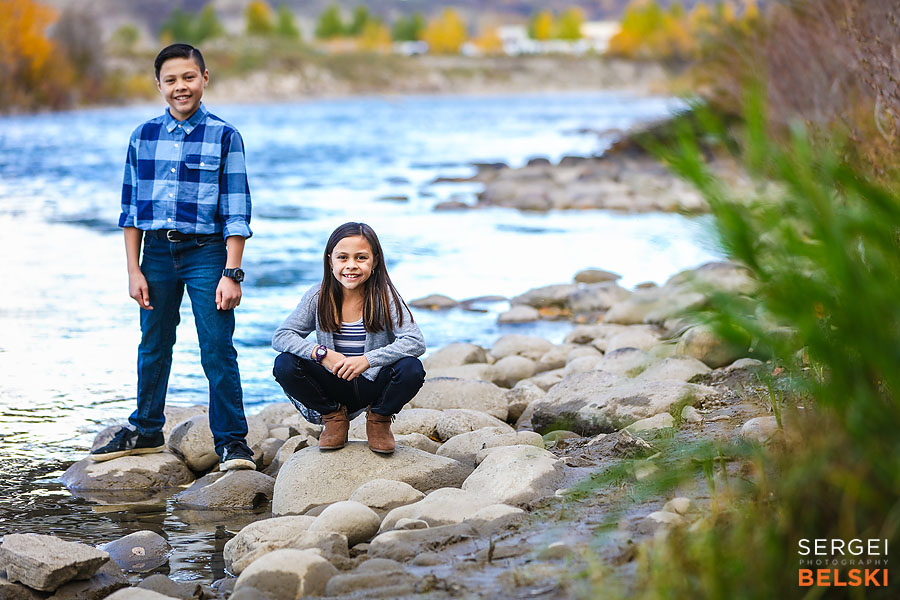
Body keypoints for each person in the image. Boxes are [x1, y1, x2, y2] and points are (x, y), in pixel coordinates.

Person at [91, 44, 256, 471]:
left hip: (207, 254)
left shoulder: (224, 135)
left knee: (217, 347)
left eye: (188, 77)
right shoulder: (142, 137)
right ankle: (146, 430)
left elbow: (236, 210)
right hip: (157, 254)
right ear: (159, 85)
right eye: (171, 80)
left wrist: (231, 273)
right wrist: (134, 269)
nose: (180, 87)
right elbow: (130, 211)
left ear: (205, 78)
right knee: (153, 343)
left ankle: (232, 443)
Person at [272, 222, 426, 454]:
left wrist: (367, 359)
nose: (351, 266)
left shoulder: (385, 296)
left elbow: (415, 341)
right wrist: (321, 354)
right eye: (342, 257)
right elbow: (282, 336)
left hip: (373, 384)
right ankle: (333, 417)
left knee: (412, 368)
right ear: (330, 260)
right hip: (334, 383)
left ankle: (379, 420)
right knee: (284, 364)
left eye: (361, 258)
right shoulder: (318, 295)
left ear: (374, 261)